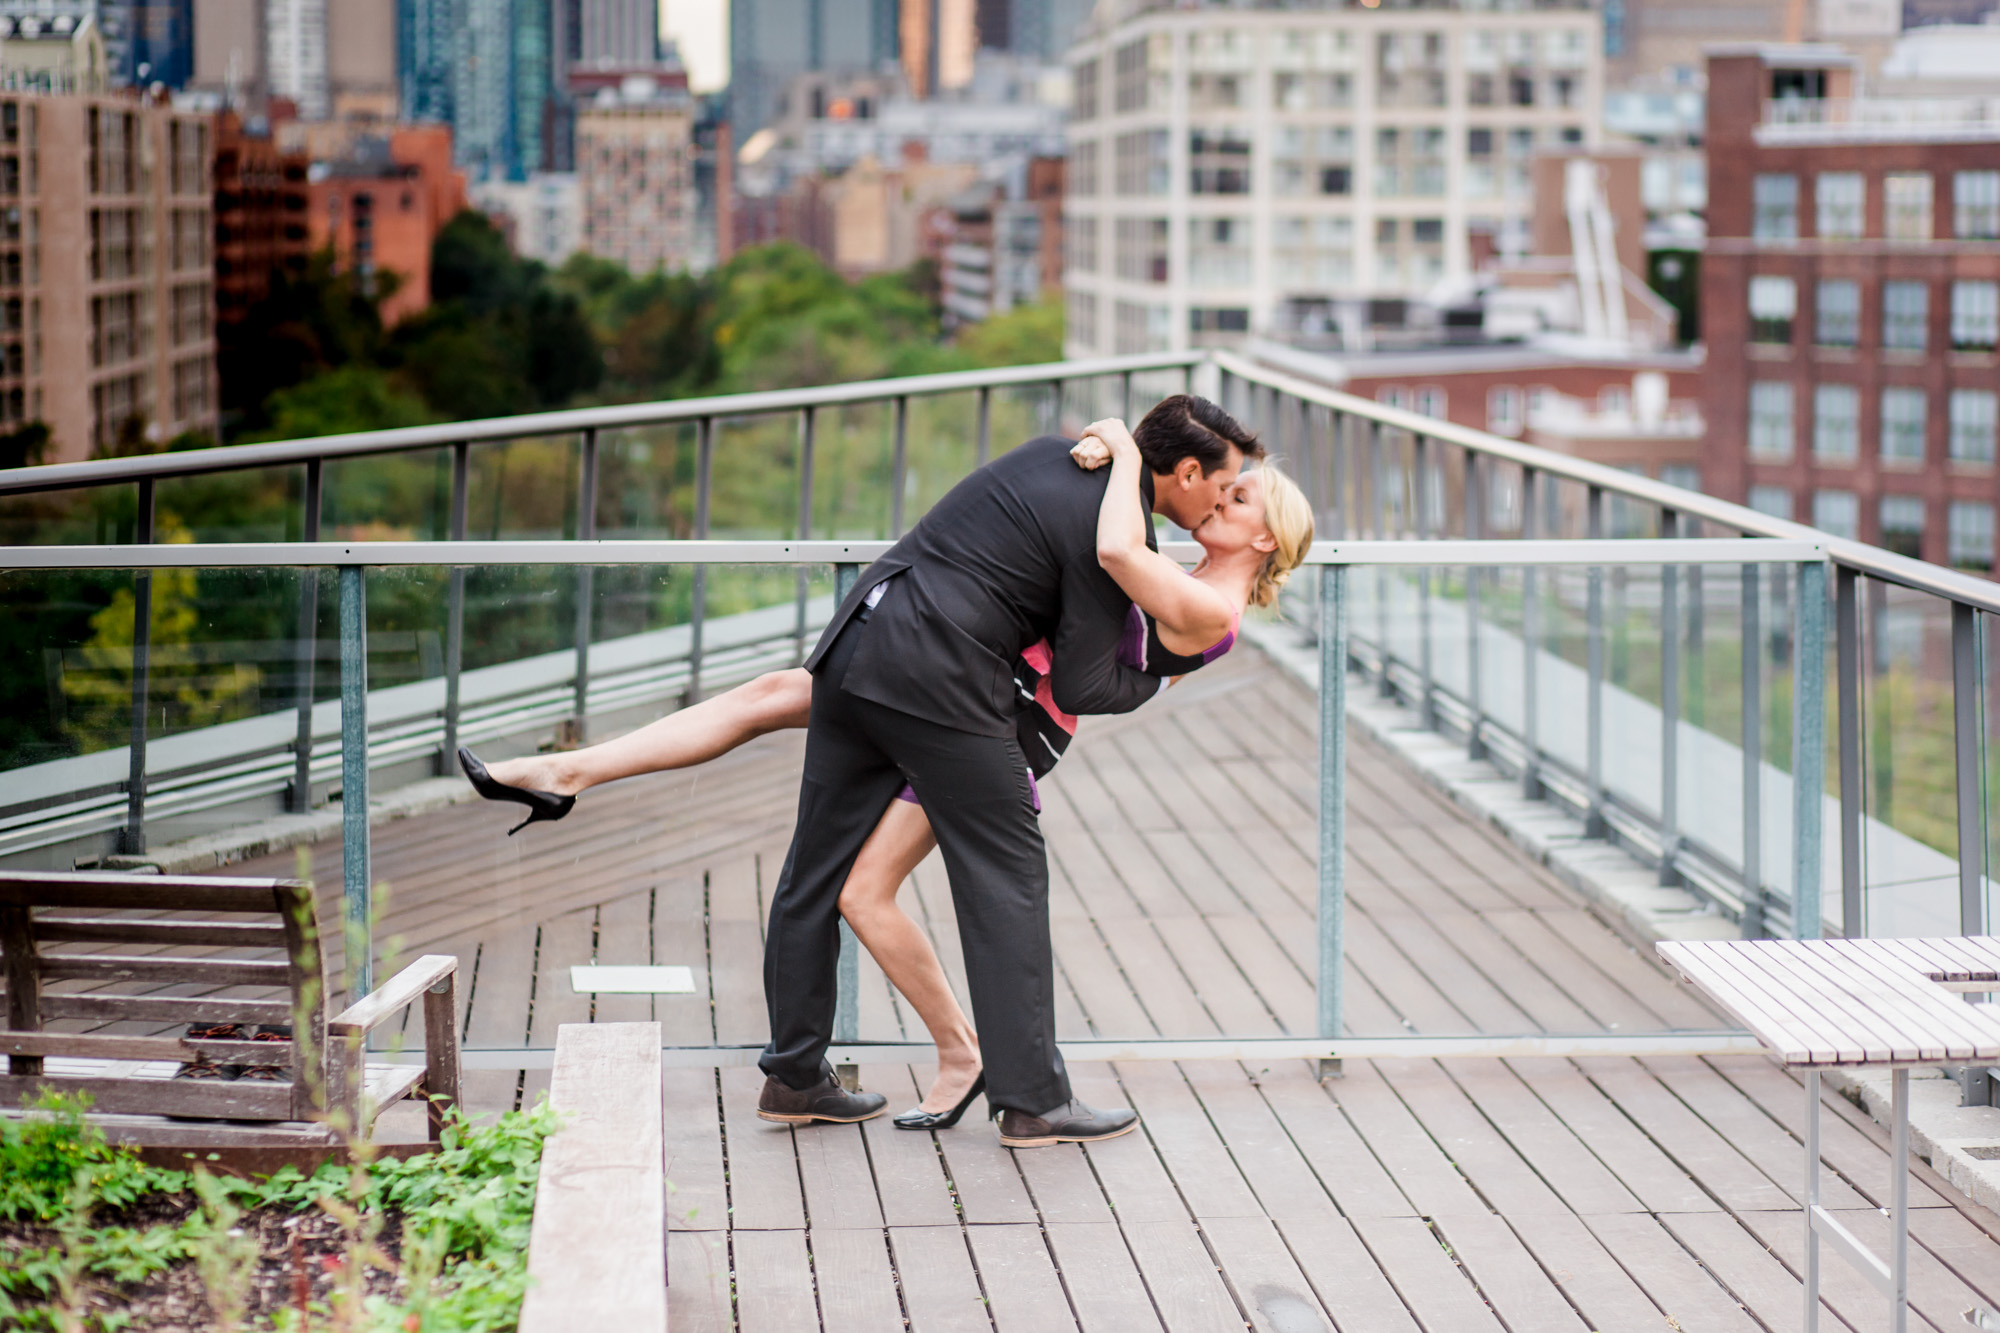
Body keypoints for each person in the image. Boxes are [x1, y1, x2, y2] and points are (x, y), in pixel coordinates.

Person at [460, 397, 1313, 1142]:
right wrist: (1121, 453)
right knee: (1005, 879)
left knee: (819, 866)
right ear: (1190, 472)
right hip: (954, 685)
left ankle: (796, 1072)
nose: (1224, 497)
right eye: (1226, 483)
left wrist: (1117, 441)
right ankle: (1032, 1101)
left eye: (1242, 495)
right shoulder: (1117, 522)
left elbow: (1099, 637)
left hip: (870, 633)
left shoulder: (1062, 467)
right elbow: (1093, 668)